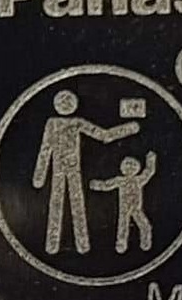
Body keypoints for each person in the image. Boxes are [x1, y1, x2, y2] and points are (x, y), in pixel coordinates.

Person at [32, 90, 138, 254]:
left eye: (68, 102)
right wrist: (39, 175)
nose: (65, 105)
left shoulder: (75, 122)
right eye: (63, 102)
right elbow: (46, 148)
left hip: (71, 168)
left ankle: (78, 244)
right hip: (61, 169)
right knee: (62, 202)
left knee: (73, 203)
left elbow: (104, 135)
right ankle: (58, 245)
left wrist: (128, 129)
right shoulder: (54, 123)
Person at [89, 151, 157, 254]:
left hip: (135, 207)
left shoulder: (138, 180)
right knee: (123, 226)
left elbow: (149, 172)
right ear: (122, 168)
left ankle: (145, 243)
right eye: (127, 165)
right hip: (125, 208)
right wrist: (97, 185)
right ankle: (121, 244)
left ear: (137, 168)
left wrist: (150, 160)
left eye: (133, 166)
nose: (130, 168)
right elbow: (107, 184)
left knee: (143, 225)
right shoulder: (121, 180)